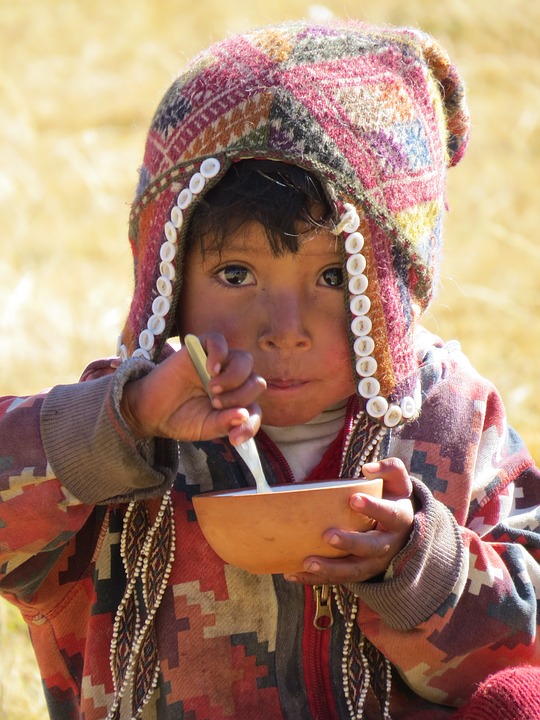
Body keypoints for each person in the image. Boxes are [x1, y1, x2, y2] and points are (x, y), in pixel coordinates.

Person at [1, 17, 539, 720]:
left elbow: (524, 643)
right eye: (235, 271)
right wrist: (120, 423)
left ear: (395, 286)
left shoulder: (453, 421)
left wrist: (416, 563)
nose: (285, 331)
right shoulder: (113, 428)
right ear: (164, 274)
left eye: (335, 279)